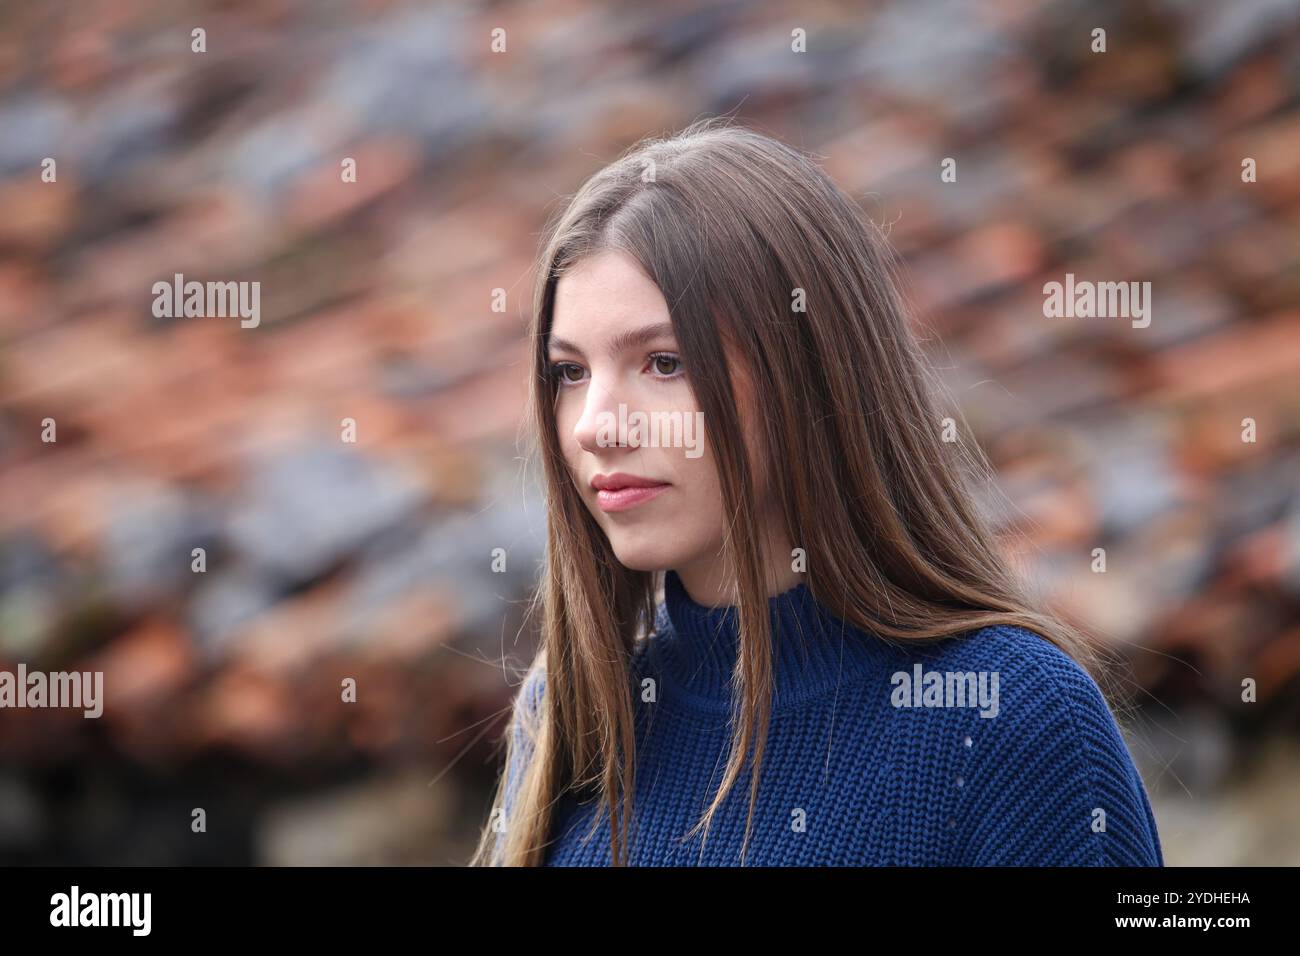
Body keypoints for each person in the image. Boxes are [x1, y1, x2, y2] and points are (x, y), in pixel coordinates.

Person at [468, 118, 1163, 867]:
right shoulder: (573, 715)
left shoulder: (1008, 717)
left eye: (664, 362)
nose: (595, 426)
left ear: (807, 370)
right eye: (570, 372)